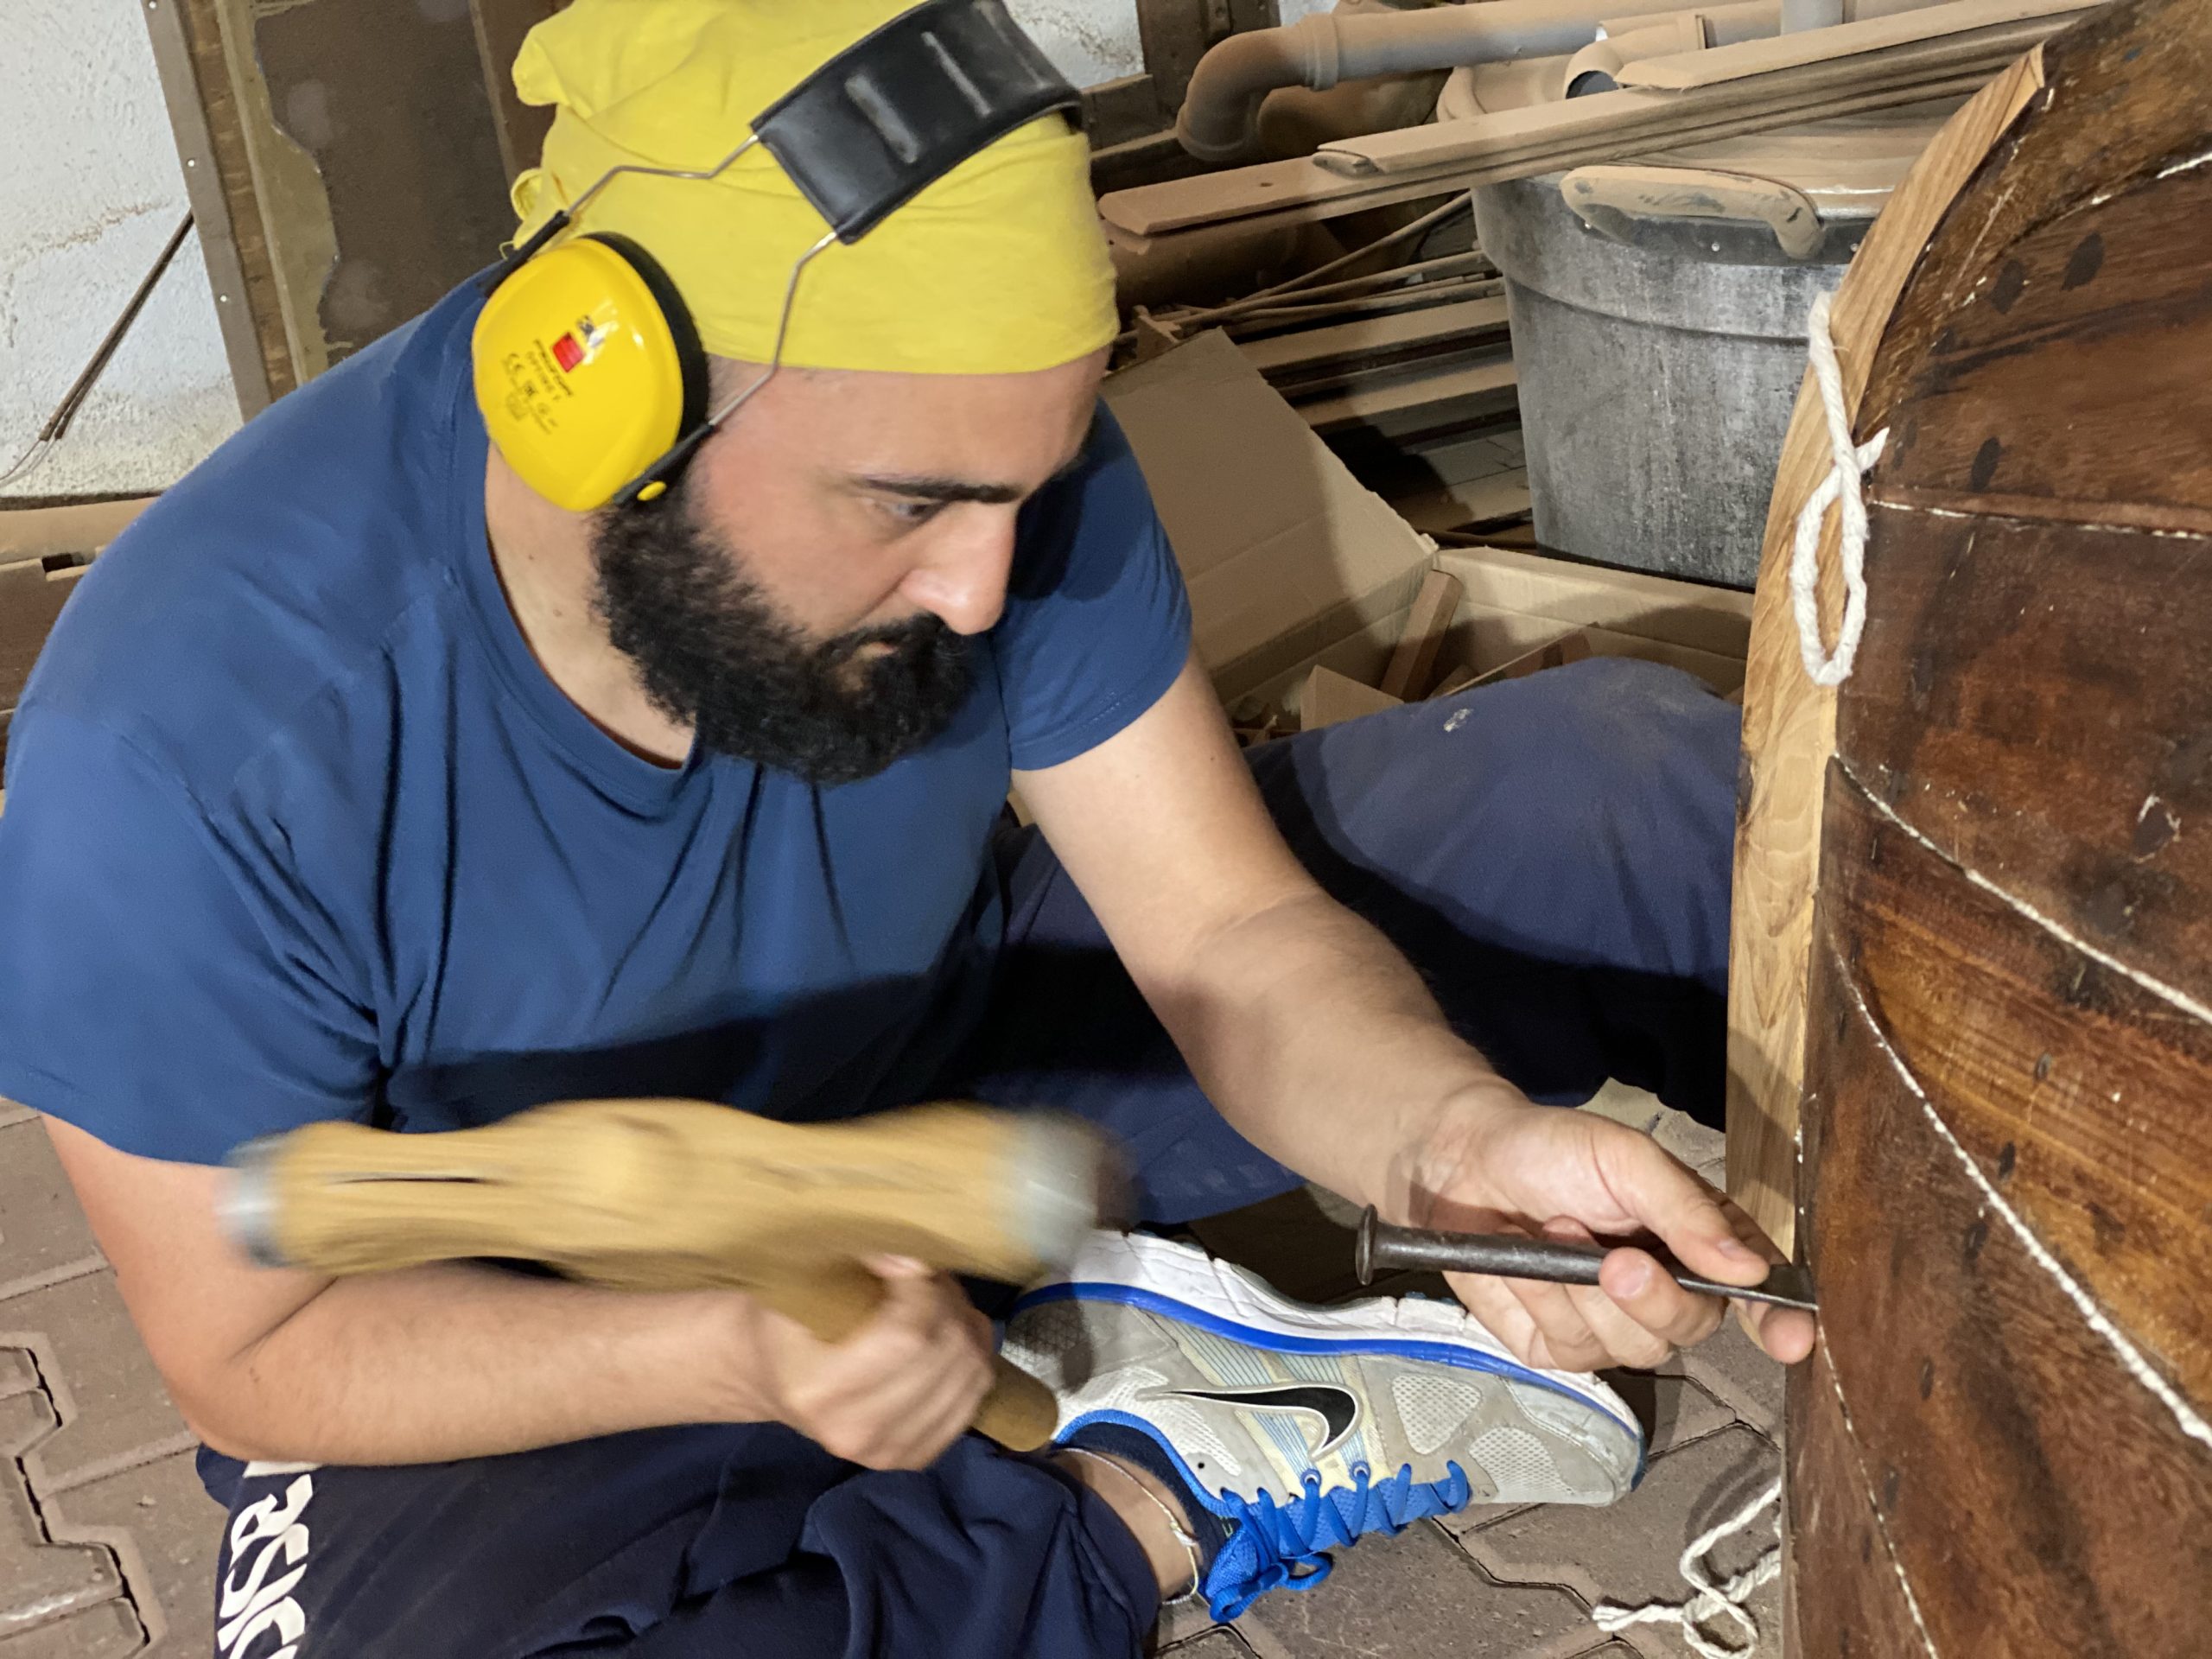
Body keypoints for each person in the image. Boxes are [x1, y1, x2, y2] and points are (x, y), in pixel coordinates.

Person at [0, 2, 1812, 1653]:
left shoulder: (991, 463)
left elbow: (1221, 937)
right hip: (546, 1294)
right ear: (603, 397)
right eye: (906, 506)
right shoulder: (179, 750)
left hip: (958, 1078)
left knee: (1630, 788)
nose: (981, 590)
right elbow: (255, 1351)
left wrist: (1437, 1141)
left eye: (1022, 496)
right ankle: (1154, 1488)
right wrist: (733, 1347)